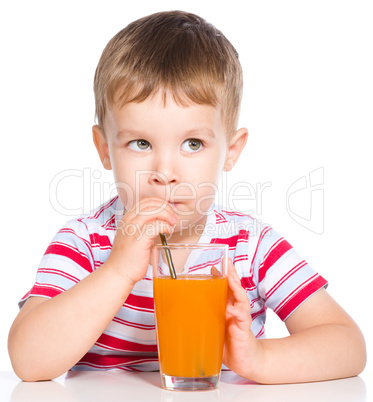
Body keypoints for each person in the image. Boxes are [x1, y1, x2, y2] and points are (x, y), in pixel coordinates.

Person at [8, 10, 366, 383]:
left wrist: (258, 358)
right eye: (140, 143)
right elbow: (29, 362)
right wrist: (117, 271)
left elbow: (348, 345)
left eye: (193, 144)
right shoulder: (85, 243)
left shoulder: (250, 246)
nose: (165, 172)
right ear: (104, 148)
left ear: (231, 150)